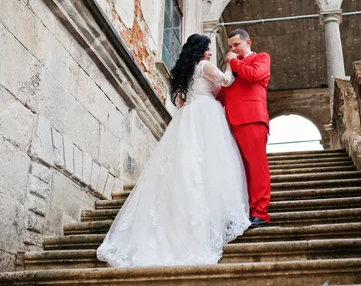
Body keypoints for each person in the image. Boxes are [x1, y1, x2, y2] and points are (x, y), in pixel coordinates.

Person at [97, 34, 250, 267]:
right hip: (205, 115)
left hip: (186, 117)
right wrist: (229, 62)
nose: (210, 52)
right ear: (200, 50)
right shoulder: (204, 65)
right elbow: (227, 81)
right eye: (208, 49)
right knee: (208, 165)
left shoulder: (183, 72)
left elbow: (179, 102)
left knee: (186, 167)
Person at [218, 29, 271, 228]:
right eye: (230, 47)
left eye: (236, 45)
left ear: (248, 42)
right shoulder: (233, 67)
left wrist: (233, 62)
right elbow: (223, 93)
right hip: (232, 122)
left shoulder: (261, 58)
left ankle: (260, 213)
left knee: (257, 168)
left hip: (252, 118)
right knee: (241, 170)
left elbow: (254, 75)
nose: (232, 50)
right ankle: (246, 211)